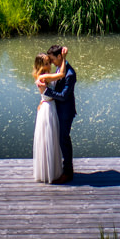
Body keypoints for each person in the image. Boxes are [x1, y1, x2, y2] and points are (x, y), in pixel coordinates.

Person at [44, 45, 76, 183]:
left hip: (65, 112)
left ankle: (68, 172)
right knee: (59, 139)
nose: (51, 63)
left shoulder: (70, 74)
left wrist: (46, 93)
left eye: (52, 59)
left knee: (64, 139)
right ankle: (62, 167)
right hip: (58, 110)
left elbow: (63, 95)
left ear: (59, 57)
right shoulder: (60, 67)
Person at [32, 53, 65, 183]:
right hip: (48, 108)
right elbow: (61, 74)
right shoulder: (44, 76)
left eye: (49, 62)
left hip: (47, 105)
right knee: (49, 138)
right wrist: (64, 58)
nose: (49, 64)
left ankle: (49, 170)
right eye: (46, 63)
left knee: (49, 138)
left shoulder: (41, 76)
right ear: (40, 66)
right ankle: (50, 171)